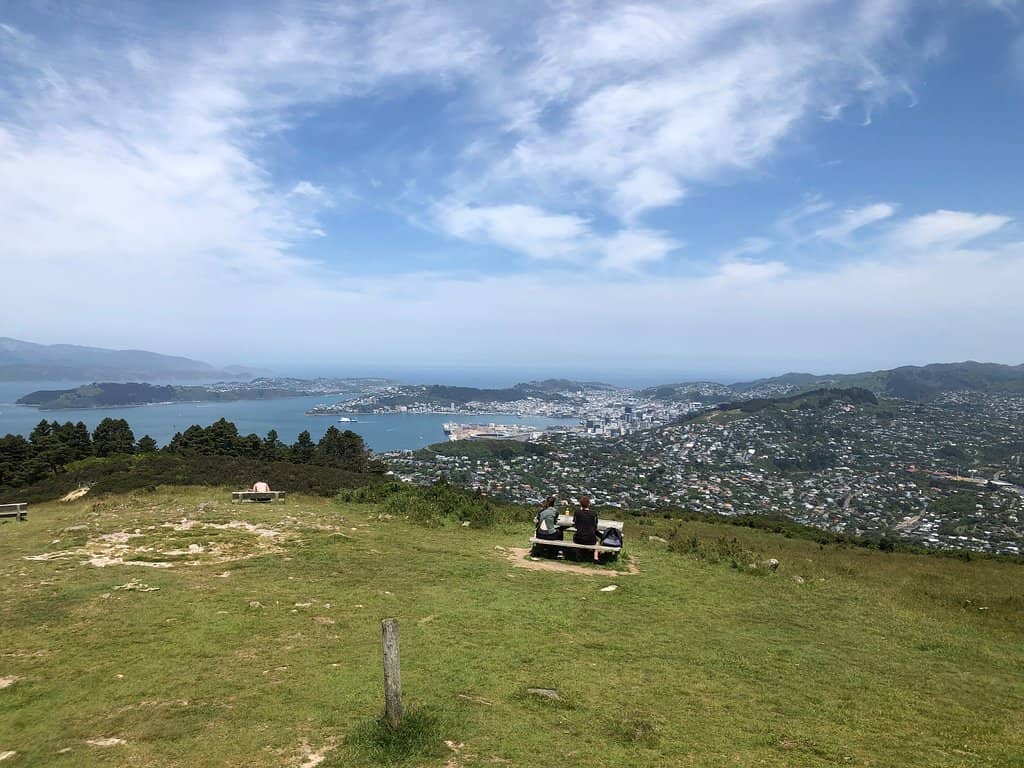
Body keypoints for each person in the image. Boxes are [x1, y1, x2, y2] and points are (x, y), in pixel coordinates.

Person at [573, 495, 601, 562]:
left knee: (575, 535)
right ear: (589, 504)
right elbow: (595, 526)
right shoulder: (594, 513)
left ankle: (578, 555)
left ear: (580, 504)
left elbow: (575, 525)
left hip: (578, 539)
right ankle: (595, 557)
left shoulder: (577, 512)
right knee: (597, 541)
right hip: (590, 539)